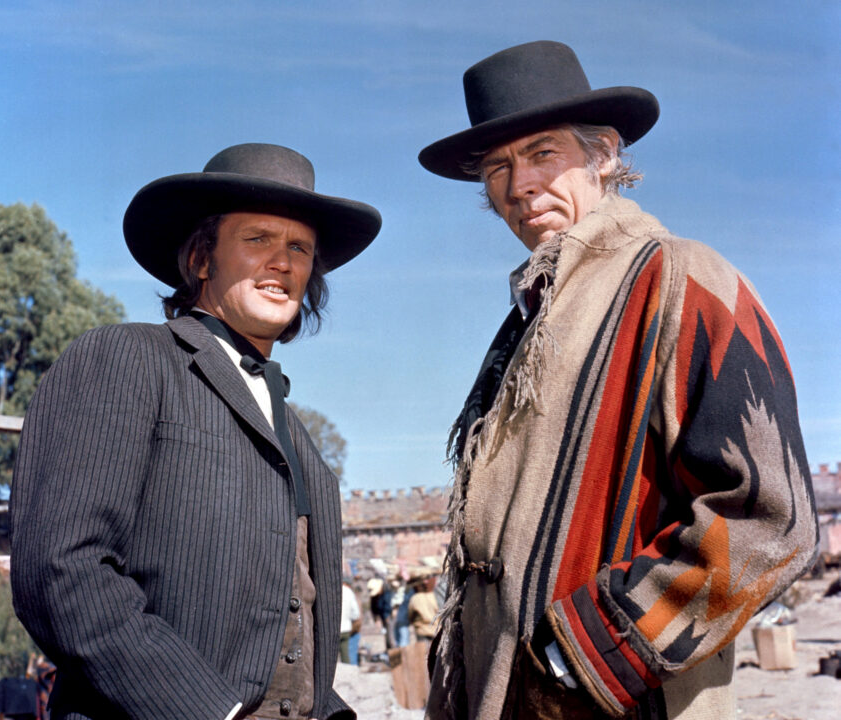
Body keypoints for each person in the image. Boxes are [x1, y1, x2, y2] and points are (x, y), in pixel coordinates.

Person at [417, 41, 818, 720]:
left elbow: (771, 518)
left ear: (603, 155)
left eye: (543, 154)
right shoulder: (531, 318)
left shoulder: (680, 279)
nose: (519, 187)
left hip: (619, 701)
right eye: (497, 168)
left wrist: (584, 654)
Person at [10, 143, 381, 720]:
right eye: (258, 239)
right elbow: (62, 569)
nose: (282, 262)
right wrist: (210, 711)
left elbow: (292, 624)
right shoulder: (126, 357)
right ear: (202, 259)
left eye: (299, 248)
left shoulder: (299, 440)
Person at [406, 572, 440, 643]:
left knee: (423, 652)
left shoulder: (415, 598)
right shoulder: (434, 596)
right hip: (436, 630)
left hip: (422, 631)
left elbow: (410, 615)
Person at [339, 578, 362, 665]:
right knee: (346, 657)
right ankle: (348, 676)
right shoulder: (349, 592)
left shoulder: (332, 590)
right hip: (346, 629)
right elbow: (356, 614)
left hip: (332, 631)